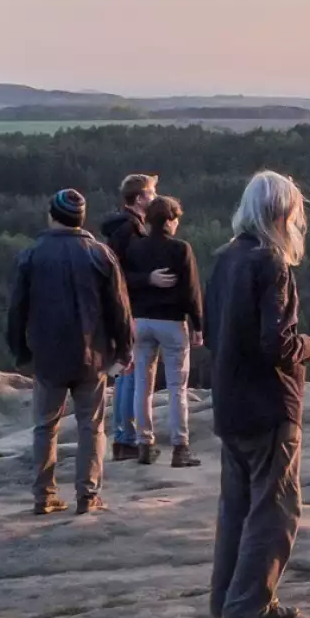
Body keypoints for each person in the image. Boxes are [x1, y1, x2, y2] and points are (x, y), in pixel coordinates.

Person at [205, 170, 310, 618]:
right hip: (269, 404)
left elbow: (212, 329)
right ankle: (250, 605)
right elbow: (276, 342)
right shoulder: (271, 263)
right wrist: (309, 347)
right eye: (295, 213)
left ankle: (226, 601)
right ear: (281, 213)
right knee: (275, 507)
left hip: (230, 402)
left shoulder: (227, 257)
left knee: (236, 507)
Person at [6, 189, 135, 515]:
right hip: (92, 356)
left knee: (44, 427)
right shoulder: (99, 254)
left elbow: (17, 310)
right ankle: (87, 496)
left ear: (52, 216)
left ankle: (44, 495)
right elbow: (120, 309)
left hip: (48, 356)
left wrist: (20, 353)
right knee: (91, 427)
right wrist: (125, 350)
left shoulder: (32, 254)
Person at [124, 195, 204, 468]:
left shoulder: (135, 248)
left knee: (142, 386)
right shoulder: (181, 249)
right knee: (176, 388)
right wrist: (198, 325)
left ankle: (144, 445)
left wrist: (145, 281)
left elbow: (122, 281)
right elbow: (192, 291)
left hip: (141, 322)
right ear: (170, 220)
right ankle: (180, 449)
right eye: (177, 219)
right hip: (171, 322)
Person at [99, 173, 172, 463]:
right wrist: (149, 278)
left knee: (126, 374)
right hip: (128, 308)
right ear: (140, 198)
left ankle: (123, 438)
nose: (156, 197)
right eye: (152, 193)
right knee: (130, 374)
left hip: (127, 307)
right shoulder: (128, 229)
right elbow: (118, 274)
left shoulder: (127, 225)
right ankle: (126, 438)